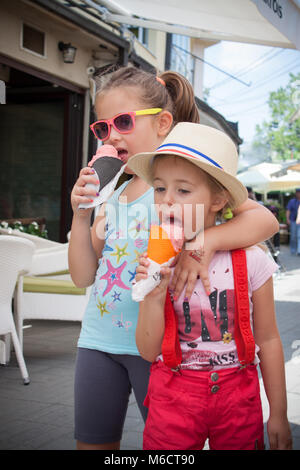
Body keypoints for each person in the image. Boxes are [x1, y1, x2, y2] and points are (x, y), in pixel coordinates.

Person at [68, 66, 279, 450]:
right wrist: (81, 216)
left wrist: (207, 241)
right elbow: (84, 276)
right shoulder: (111, 191)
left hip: (162, 351)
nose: (112, 135)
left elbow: (265, 219)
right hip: (97, 341)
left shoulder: (179, 188)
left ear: (164, 122)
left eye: (123, 122)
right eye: (102, 128)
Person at [133, 122, 292, 451]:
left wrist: (278, 413)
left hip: (239, 400)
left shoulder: (252, 260)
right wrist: (152, 296)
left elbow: (269, 339)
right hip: (173, 399)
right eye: (160, 189)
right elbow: (148, 351)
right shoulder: (157, 259)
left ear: (219, 200)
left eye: (184, 191)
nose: (167, 201)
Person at [286, 188, 300, 255]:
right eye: (297, 192)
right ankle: (293, 250)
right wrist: (287, 219)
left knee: (299, 236)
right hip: (293, 220)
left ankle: (298, 250)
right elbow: (288, 210)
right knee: (293, 236)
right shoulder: (292, 201)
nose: (298, 194)